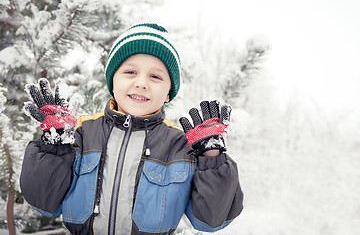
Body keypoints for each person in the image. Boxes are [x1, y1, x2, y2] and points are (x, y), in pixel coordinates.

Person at [20, 23, 244, 235]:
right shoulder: (81, 133)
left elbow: (211, 220)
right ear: (113, 81)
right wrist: (54, 147)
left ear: (168, 92)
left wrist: (211, 158)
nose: (141, 83)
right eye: (130, 72)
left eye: (155, 76)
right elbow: (44, 202)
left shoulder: (180, 147)